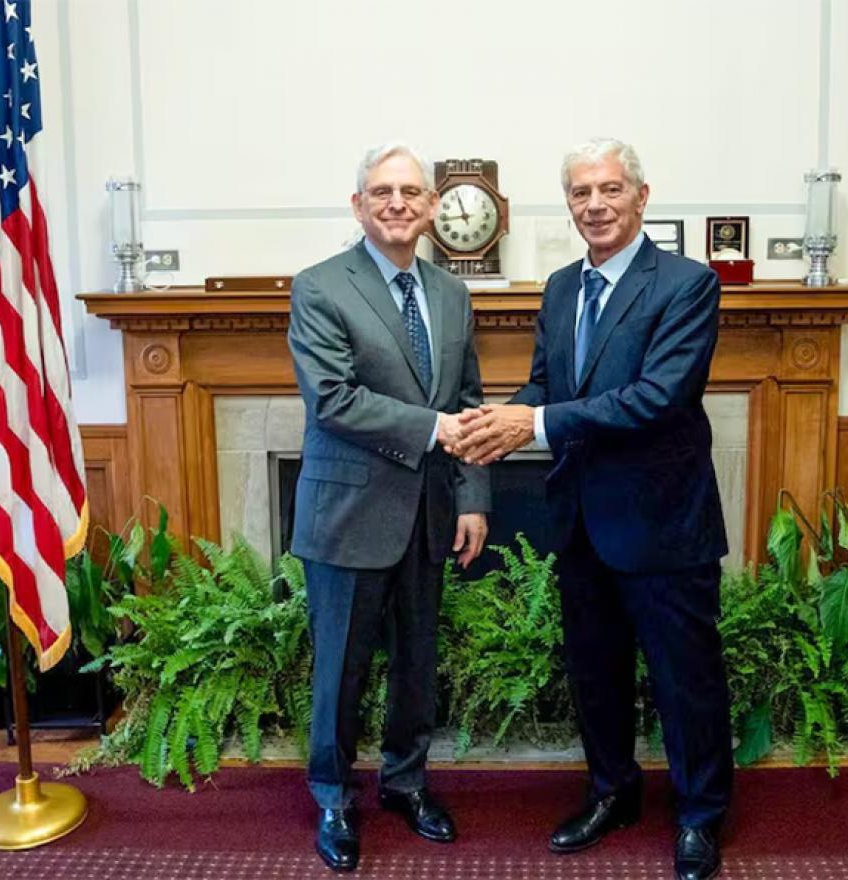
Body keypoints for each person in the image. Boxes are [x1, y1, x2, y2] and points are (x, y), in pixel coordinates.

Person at [450, 138, 732, 880]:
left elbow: (657, 399)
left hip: (664, 524)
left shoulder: (687, 285)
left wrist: (531, 426)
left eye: (610, 190)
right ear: (568, 203)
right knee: (596, 675)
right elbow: (549, 387)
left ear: (642, 196)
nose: (595, 205)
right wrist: (499, 422)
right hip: (581, 521)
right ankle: (613, 792)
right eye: (581, 193)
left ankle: (701, 815)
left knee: (686, 681)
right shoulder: (561, 289)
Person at [287, 142, 490, 873]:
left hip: (432, 514)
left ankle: (406, 783)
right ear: (359, 206)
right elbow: (333, 399)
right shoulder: (319, 287)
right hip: (348, 517)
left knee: (416, 665)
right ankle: (335, 795)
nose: (398, 202)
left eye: (411, 191)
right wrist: (431, 430)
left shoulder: (451, 295)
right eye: (382, 192)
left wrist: (471, 498)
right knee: (340, 669)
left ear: (433, 206)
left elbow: (466, 403)